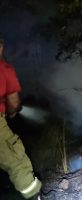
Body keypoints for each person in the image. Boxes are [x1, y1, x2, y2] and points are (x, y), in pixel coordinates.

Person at [0, 34, 42, 200]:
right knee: (16, 161)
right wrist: (12, 112)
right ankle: (34, 196)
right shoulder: (4, 69)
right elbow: (13, 101)